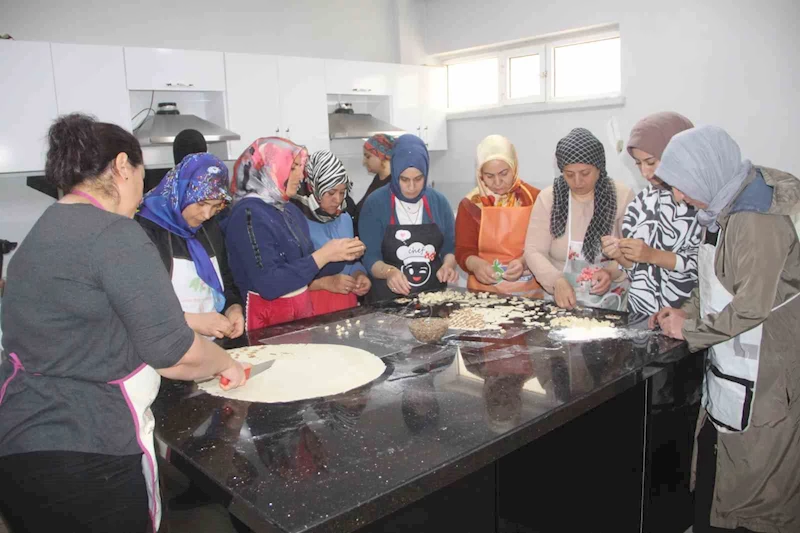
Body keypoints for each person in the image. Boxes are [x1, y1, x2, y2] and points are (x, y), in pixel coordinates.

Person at [0, 114, 247, 533]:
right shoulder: (115, 233)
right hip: (90, 450)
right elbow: (175, 354)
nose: (143, 191)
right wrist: (226, 363)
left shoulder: (38, 234)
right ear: (121, 166)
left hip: (20, 449)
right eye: (140, 175)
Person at [649, 125, 800, 533]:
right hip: (733, 361)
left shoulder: (756, 221)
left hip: (767, 372)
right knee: (725, 469)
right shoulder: (720, 211)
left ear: (705, 174)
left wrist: (692, 330)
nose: (678, 196)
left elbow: (751, 307)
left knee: (760, 489)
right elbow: (712, 282)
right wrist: (680, 312)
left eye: (681, 186)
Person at [224, 137, 365, 331]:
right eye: (293, 168)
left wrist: (342, 254)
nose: (300, 175)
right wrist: (324, 255)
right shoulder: (248, 214)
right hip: (266, 324)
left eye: (300, 167)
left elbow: (305, 267)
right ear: (268, 169)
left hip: (300, 318)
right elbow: (269, 284)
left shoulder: (289, 210)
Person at [601, 112, 701, 316]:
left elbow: (706, 267)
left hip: (685, 317)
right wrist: (620, 255)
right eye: (638, 164)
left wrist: (653, 255)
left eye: (651, 162)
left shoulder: (700, 201)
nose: (645, 173)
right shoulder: (640, 204)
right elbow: (637, 272)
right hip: (641, 315)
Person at [137, 153, 245, 340]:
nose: (206, 214)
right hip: (169, 350)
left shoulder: (209, 228)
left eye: (216, 206)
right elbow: (142, 306)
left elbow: (225, 281)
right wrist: (195, 321)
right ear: (181, 193)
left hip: (211, 348)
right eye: (201, 203)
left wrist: (233, 308)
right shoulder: (145, 232)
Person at [524, 128, 634, 310]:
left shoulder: (621, 196)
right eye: (569, 174)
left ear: (599, 167)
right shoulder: (549, 199)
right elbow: (534, 251)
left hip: (611, 300)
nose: (577, 182)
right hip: (560, 300)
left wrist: (610, 272)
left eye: (585, 173)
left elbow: (633, 252)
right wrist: (556, 280)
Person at [358, 134, 458, 302]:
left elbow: (450, 248)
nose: (412, 187)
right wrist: (389, 272)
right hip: (386, 301)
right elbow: (370, 257)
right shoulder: (375, 204)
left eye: (418, 179)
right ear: (395, 172)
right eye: (404, 179)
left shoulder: (438, 202)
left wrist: (448, 265)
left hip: (433, 299)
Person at [455, 135, 541, 296]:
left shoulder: (534, 199)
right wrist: (475, 265)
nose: (497, 182)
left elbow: (543, 244)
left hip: (529, 293)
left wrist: (524, 262)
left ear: (514, 167)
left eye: (503, 173)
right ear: (480, 174)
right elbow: (463, 250)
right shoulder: (471, 205)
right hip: (484, 293)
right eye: (489, 176)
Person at [293, 150, 371, 315]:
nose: (338, 200)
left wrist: (359, 275)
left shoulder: (344, 219)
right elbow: (288, 278)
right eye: (331, 193)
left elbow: (350, 264)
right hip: (311, 307)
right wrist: (325, 283)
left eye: (342, 192)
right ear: (313, 188)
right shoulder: (295, 222)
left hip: (346, 303)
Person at [353, 134, 395, 235]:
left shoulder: (392, 186)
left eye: (368, 156)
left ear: (382, 156)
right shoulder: (378, 179)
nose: (364, 162)